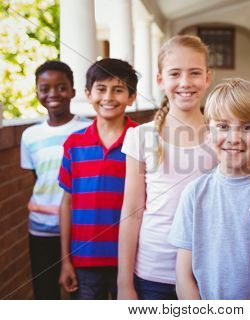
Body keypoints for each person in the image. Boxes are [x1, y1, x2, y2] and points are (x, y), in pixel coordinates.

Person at [118, 35, 218, 300]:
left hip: (208, 269)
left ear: (207, 78)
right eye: (175, 74)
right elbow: (132, 211)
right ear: (160, 79)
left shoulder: (223, 137)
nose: (185, 83)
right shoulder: (141, 137)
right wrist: (124, 284)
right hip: (153, 272)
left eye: (194, 73)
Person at [168, 78, 250, 300]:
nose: (234, 138)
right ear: (208, 132)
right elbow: (183, 276)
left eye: (247, 127)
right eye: (223, 126)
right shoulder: (195, 194)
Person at [58, 58, 138, 299]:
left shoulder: (141, 140)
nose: (108, 97)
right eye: (101, 89)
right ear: (88, 94)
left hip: (132, 259)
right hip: (85, 259)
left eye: (118, 90)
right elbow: (67, 203)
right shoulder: (74, 143)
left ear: (132, 97)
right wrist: (65, 260)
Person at [20, 60, 91, 299]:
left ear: (73, 91)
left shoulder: (89, 130)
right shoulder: (30, 136)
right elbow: (37, 178)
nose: (53, 94)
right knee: (45, 294)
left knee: (83, 293)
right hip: (42, 229)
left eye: (61, 87)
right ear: (37, 92)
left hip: (82, 226)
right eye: (45, 88)